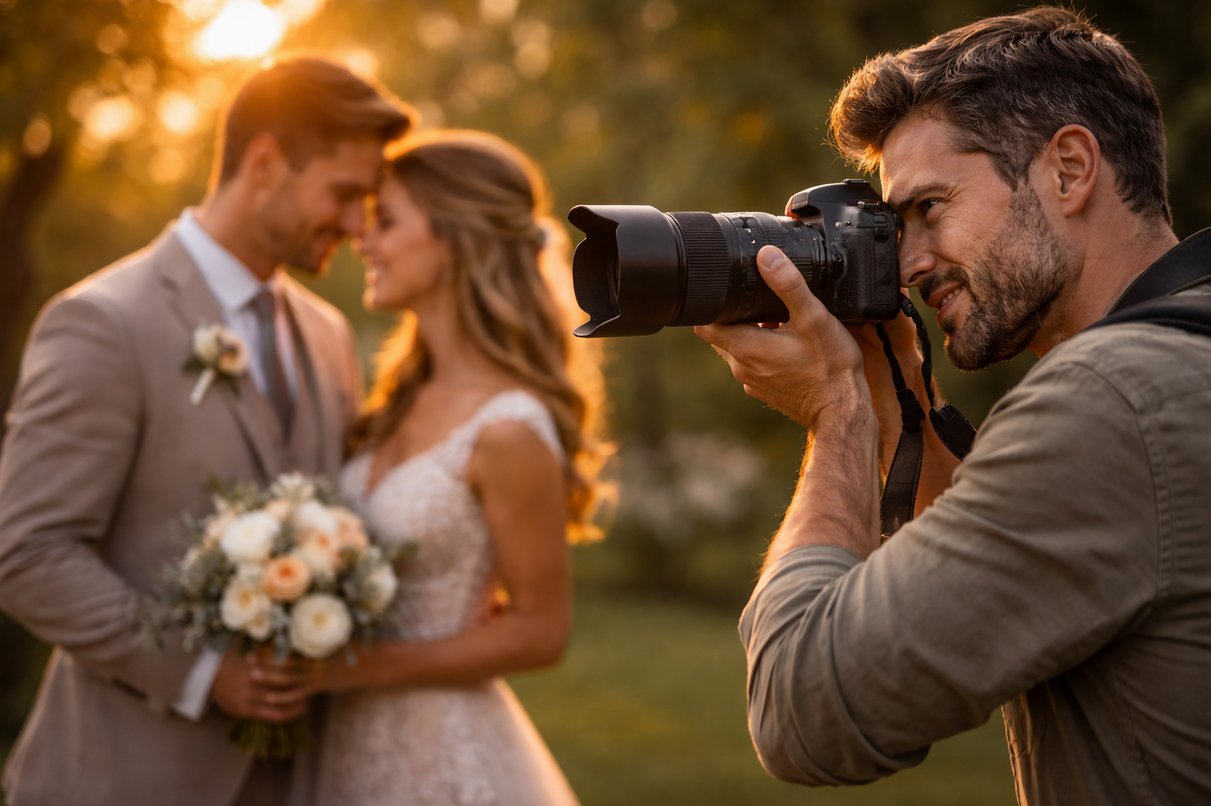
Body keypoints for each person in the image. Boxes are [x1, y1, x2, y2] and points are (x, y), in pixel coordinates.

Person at [696, 7, 1211, 804]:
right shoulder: (1182, 355)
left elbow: (803, 711)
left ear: (1069, 169)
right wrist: (898, 405)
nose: (905, 265)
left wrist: (836, 416)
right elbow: (999, 584)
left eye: (928, 209)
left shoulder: (1112, 402)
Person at [0, 57, 412, 806]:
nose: (358, 226)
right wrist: (203, 671)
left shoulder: (326, 336)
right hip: (123, 780)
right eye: (345, 194)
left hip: (292, 782)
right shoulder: (103, 323)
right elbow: (27, 551)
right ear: (264, 163)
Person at [292, 130, 608, 805]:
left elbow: (541, 632)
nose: (363, 239)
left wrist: (346, 670)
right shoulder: (391, 397)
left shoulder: (508, 429)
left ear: (454, 239)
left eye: (386, 221)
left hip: (438, 755)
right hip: (336, 745)